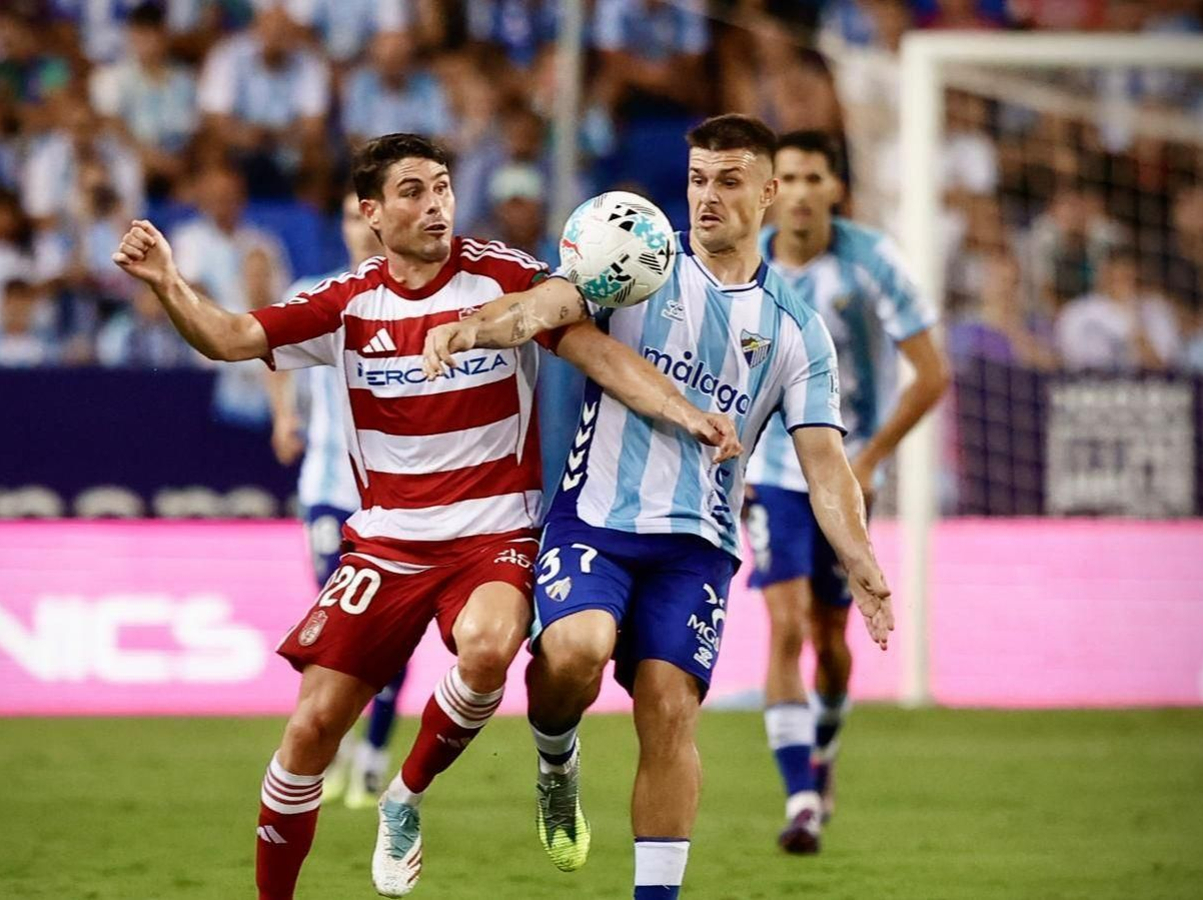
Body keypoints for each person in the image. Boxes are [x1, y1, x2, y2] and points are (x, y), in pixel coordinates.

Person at [110, 132, 738, 900]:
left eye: (441, 186)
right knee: (309, 733)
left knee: (488, 647)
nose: (435, 204)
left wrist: (684, 411)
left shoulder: (502, 277)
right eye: (413, 191)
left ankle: (404, 796)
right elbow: (232, 337)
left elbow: (593, 352)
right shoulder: (345, 304)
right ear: (371, 211)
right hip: (384, 544)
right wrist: (170, 283)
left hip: (495, 532)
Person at [422, 114, 895, 900]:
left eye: (729, 181)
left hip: (698, 545)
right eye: (698, 179)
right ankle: (555, 756)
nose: (708, 196)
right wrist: (476, 326)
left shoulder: (796, 332)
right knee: (573, 650)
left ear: (769, 193)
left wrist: (863, 560)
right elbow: (546, 305)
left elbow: (826, 466)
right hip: (598, 517)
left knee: (669, 710)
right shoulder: (636, 256)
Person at [743, 130, 950, 854]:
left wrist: (868, 461)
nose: (799, 191)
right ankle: (800, 799)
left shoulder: (872, 261)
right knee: (787, 622)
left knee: (833, 642)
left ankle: (823, 754)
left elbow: (931, 373)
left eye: (812, 178)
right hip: (768, 468)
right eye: (787, 177)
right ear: (771, 190)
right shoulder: (747, 263)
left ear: (837, 188)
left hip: (846, 473)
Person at [265, 192, 404, 811]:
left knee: (389, 631)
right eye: (351, 217)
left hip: (395, 494)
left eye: (368, 215)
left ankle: (372, 752)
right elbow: (270, 348)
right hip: (328, 489)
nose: (363, 228)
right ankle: (335, 744)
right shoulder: (316, 291)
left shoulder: (417, 295)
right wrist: (283, 417)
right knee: (342, 628)